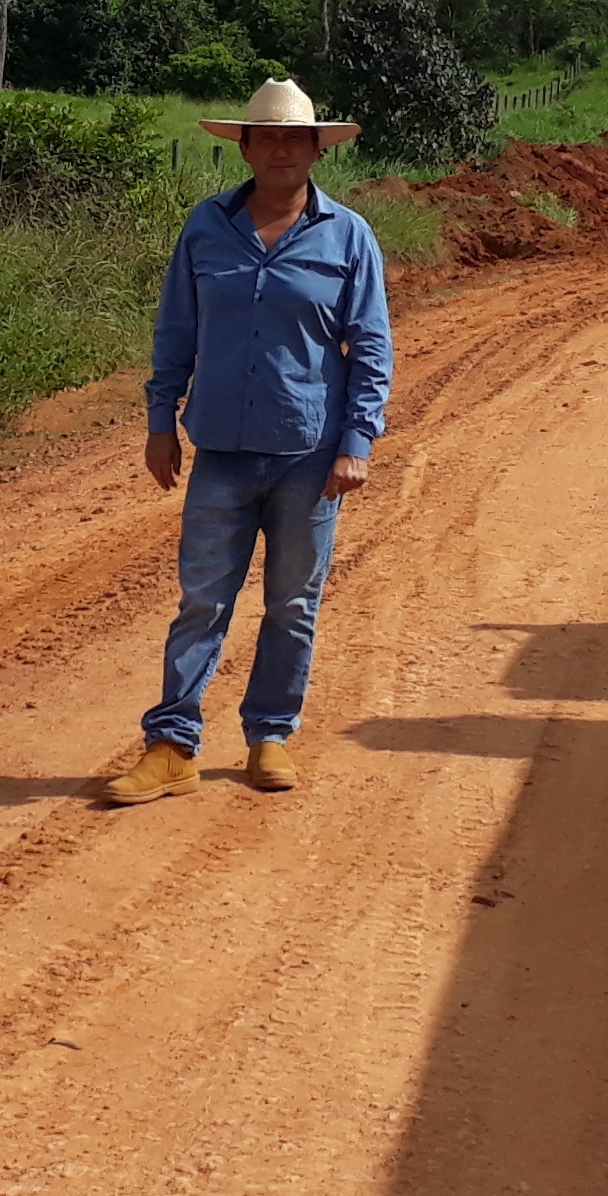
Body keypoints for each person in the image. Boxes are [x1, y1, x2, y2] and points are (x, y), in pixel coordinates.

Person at [101, 77, 393, 805]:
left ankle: (270, 734)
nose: (281, 150)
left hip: (309, 454)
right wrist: (158, 419)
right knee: (202, 600)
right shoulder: (206, 227)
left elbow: (372, 347)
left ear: (316, 148)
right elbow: (175, 330)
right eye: (267, 137)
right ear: (245, 146)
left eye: (295, 138)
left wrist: (357, 441)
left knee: (292, 603)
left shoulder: (348, 235)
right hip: (221, 455)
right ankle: (172, 744)